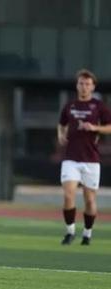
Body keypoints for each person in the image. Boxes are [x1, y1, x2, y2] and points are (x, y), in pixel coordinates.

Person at [57, 69, 111, 246]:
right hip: (71, 158)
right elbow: (62, 123)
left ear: (93, 87)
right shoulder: (70, 105)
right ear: (77, 85)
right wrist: (61, 134)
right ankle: (70, 232)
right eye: (81, 83)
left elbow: (109, 127)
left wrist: (95, 128)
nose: (84, 87)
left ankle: (87, 234)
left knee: (89, 200)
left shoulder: (99, 106)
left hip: (91, 160)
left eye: (87, 84)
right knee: (68, 195)